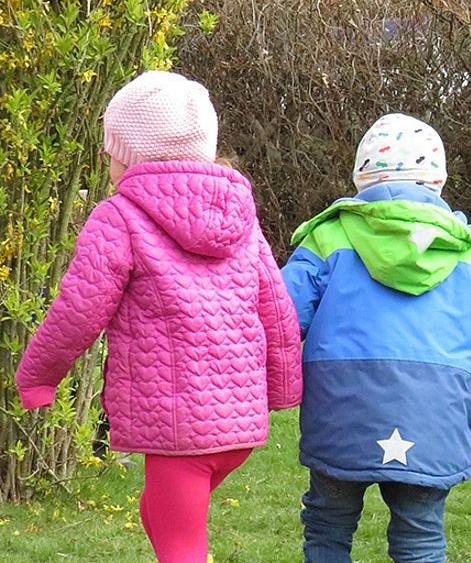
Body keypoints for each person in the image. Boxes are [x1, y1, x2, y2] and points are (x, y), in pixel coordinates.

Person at [16, 70, 303, 563]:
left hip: (176, 429)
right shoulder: (240, 215)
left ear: (133, 152)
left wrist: (38, 377)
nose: (106, 155)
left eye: (113, 145)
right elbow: (276, 310)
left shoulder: (120, 216)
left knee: (180, 548)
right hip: (238, 425)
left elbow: (78, 309)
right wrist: (282, 390)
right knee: (161, 515)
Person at [281, 113, 471, 563]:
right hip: (435, 415)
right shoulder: (468, 252)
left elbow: (280, 319)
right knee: (420, 538)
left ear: (360, 178)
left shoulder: (329, 237)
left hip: (340, 412)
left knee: (328, 526)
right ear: (440, 181)